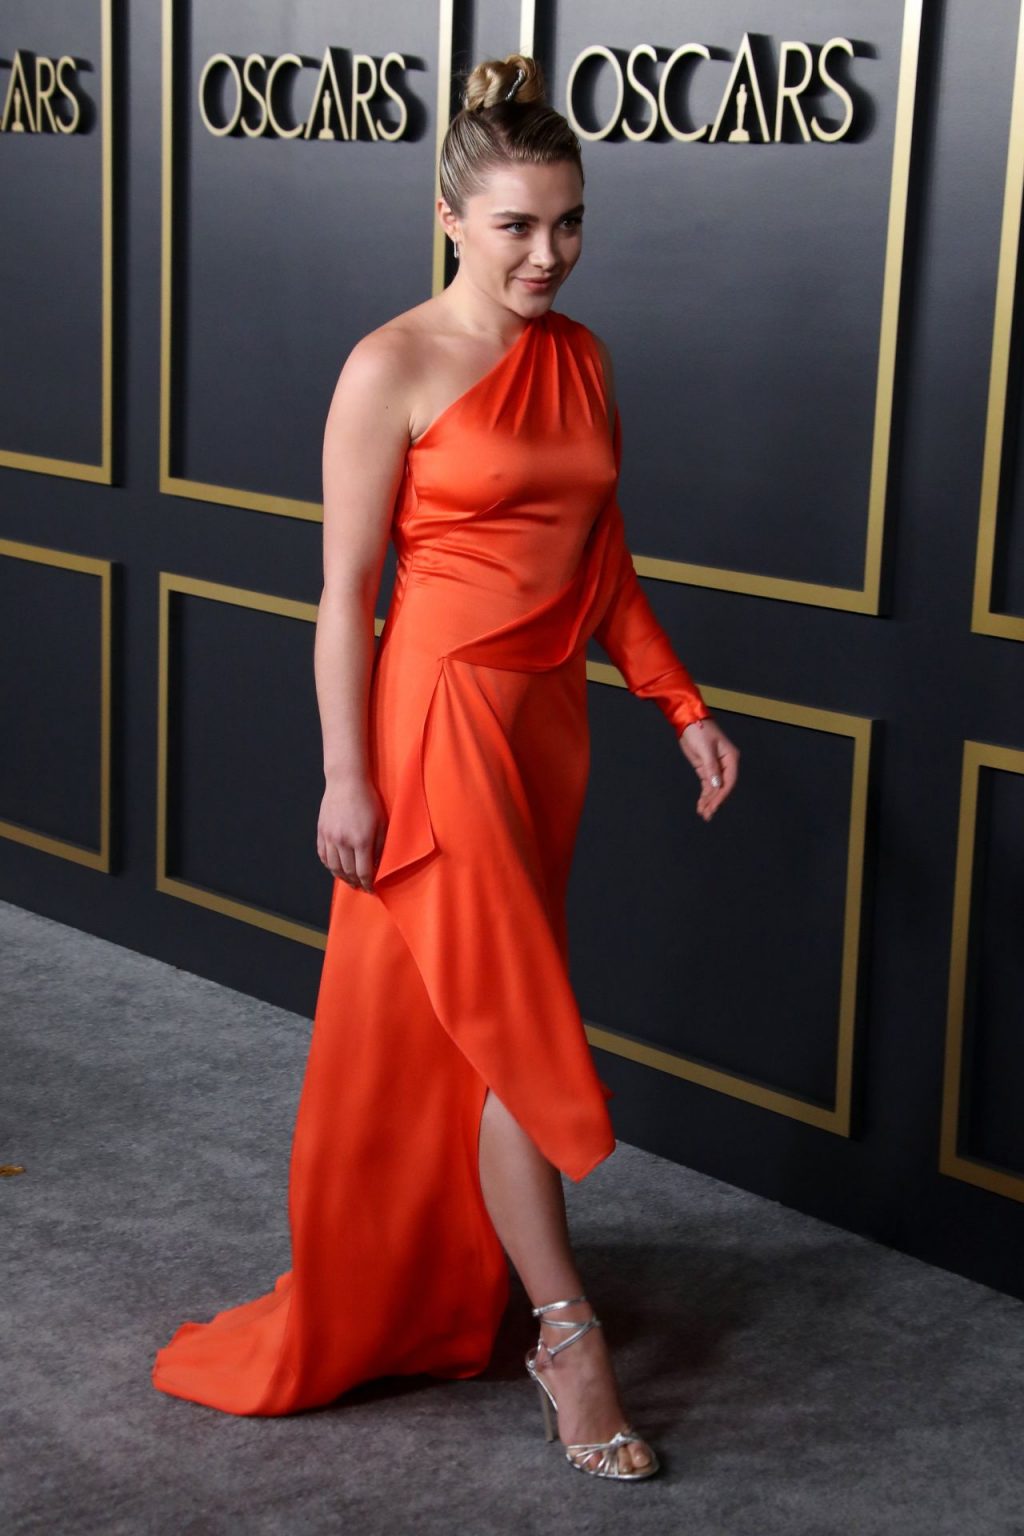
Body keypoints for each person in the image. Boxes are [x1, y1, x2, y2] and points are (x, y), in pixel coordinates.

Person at [152, 52, 739, 1483]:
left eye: (569, 223)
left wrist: (679, 705)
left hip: (547, 724)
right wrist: (345, 775)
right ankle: (567, 1341)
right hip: (436, 721)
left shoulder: (584, 358)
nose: (548, 254)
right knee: (512, 1023)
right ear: (449, 218)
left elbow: (604, 563)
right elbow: (344, 594)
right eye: (517, 226)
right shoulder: (391, 365)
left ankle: (444, 1285)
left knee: (468, 1031)